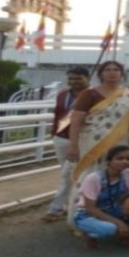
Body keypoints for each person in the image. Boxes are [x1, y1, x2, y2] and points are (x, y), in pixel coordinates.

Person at [66, 61, 129, 228]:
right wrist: (73, 145)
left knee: (117, 175)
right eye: (107, 70)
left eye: (116, 69)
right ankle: (80, 217)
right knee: (89, 175)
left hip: (120, 142)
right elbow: (76, 120)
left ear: (122, 74)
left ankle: (114, 214)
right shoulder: (89, 94)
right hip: (91, 142)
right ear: (101, 74)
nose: (112, 72)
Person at [72, 145, 129, 249]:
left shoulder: (127, 173)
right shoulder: (94, 178)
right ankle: (90, 234)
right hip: (88, 214)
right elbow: (91, 209)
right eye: (119, 158)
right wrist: (119, 223)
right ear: (109, 161)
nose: (125, 162)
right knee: (110, 229)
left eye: (128, 158)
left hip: (112, 209)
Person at [42, 66, 90, 223]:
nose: (74, 81)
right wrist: (54, 132)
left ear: (88, 78)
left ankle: (56, 208)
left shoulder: (93, 95)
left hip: (82, 139)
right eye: (71, 78)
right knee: (67, 172)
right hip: (61, 137)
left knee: (68, 174)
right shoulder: (63, 95)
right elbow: (58, 114)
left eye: (78, 78)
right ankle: (71, 205)